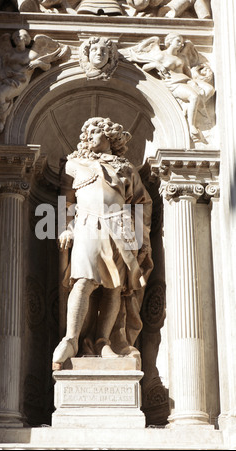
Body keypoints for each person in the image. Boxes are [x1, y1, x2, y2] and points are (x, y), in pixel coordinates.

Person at [52, 117, 153, 369]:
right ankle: (71, 339)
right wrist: (65, 228)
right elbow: (65, 203)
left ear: (110, 136)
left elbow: (142, 202)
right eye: (87, 133)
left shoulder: (126, 167)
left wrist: (140, 236)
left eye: (95, 131)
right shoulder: (73, 164)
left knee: (114, 287)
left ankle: (102, 341)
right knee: (83, 280)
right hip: (86, 224)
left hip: (120, 227)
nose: (89, 136)